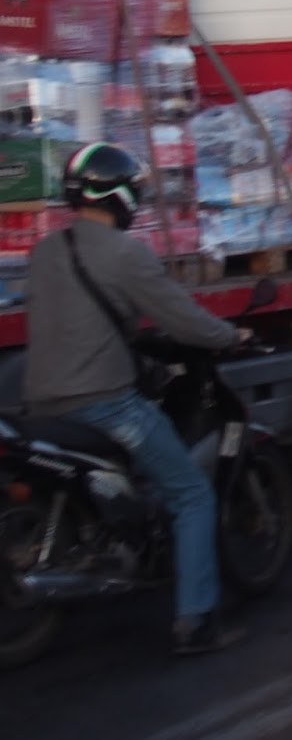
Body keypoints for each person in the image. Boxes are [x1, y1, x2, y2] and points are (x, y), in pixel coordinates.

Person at [23, 143, 250, 655]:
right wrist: (229, 336)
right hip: (105, 403)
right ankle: (196, 621)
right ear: (121, 195)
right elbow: (182, 319)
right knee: (192, 494)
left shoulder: (46, 251)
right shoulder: (126, 253)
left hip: (42, 403)